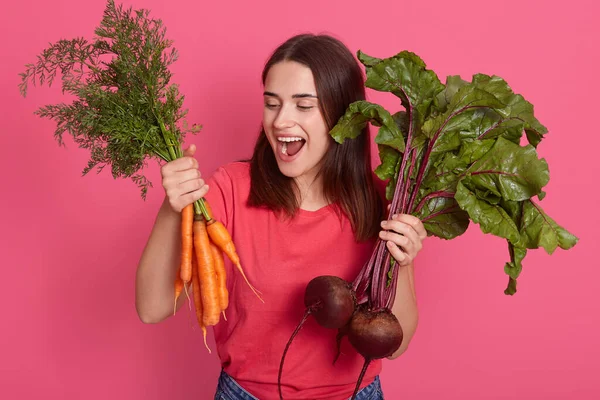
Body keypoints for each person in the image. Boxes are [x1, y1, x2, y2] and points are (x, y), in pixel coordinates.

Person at [135, 33, 425, 400]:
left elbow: (396, 345)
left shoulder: (380, 202)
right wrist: (171, 207)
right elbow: (152, 308)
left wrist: (404, 260)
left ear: (344, 117)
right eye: (272, 104)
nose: (281, 121)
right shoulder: (229, 189)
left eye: (304, 106)